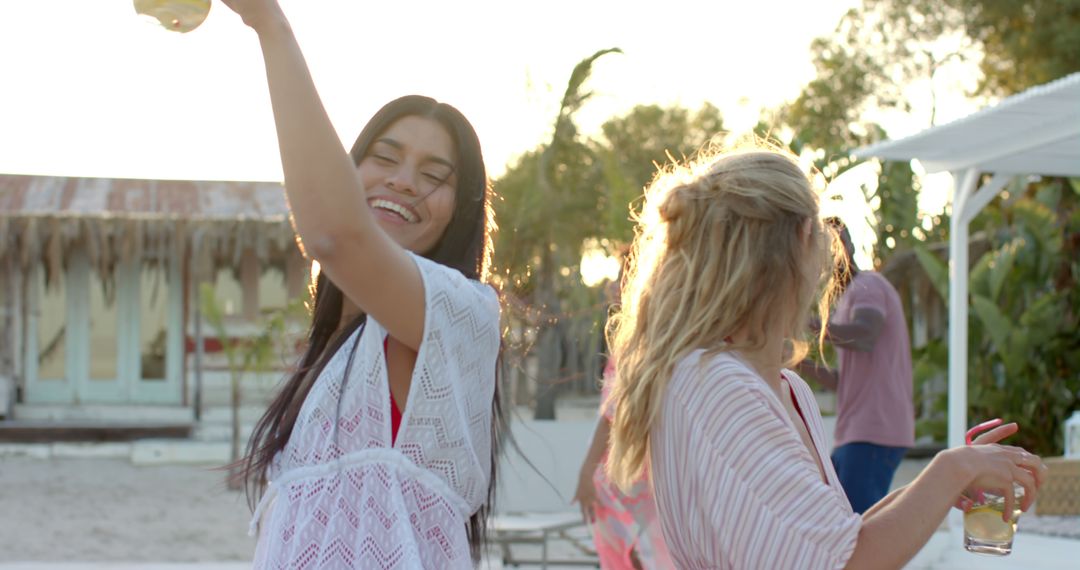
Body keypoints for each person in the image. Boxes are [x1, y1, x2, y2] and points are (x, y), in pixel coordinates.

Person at [605, 144, 1047, 569]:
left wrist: (944, 481)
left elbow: (837, 541)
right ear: (802, 238)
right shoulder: (718, 384)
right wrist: (953, 469)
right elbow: (845, 564)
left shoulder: (774, 384)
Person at [220, 2, 503, 567]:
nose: (402, 181)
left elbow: (334, 236)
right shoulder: (331, 349)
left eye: (433, 176)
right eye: (385, 158)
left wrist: (269, 25)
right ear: (351, 171)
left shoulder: (462, 311)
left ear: (461, 210)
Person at [796, 218, 915, 513]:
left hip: (872, 431)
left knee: (854, 539)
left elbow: (865, 335)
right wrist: (796, 361)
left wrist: (807, 323)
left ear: (847, 246)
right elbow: (843, 380)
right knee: (843, 527)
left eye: (833, 245)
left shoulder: (867, 286)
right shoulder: (849, 297)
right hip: (857, 432)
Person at [572, 263, 673, 569]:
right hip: (631, 477)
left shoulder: (643, 343)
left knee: (644, 557)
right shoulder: (640, 342)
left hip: (637, 479)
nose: (613, 287)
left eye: (622, 280)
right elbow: (610, 415)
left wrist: (586, 472)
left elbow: (612, 417)